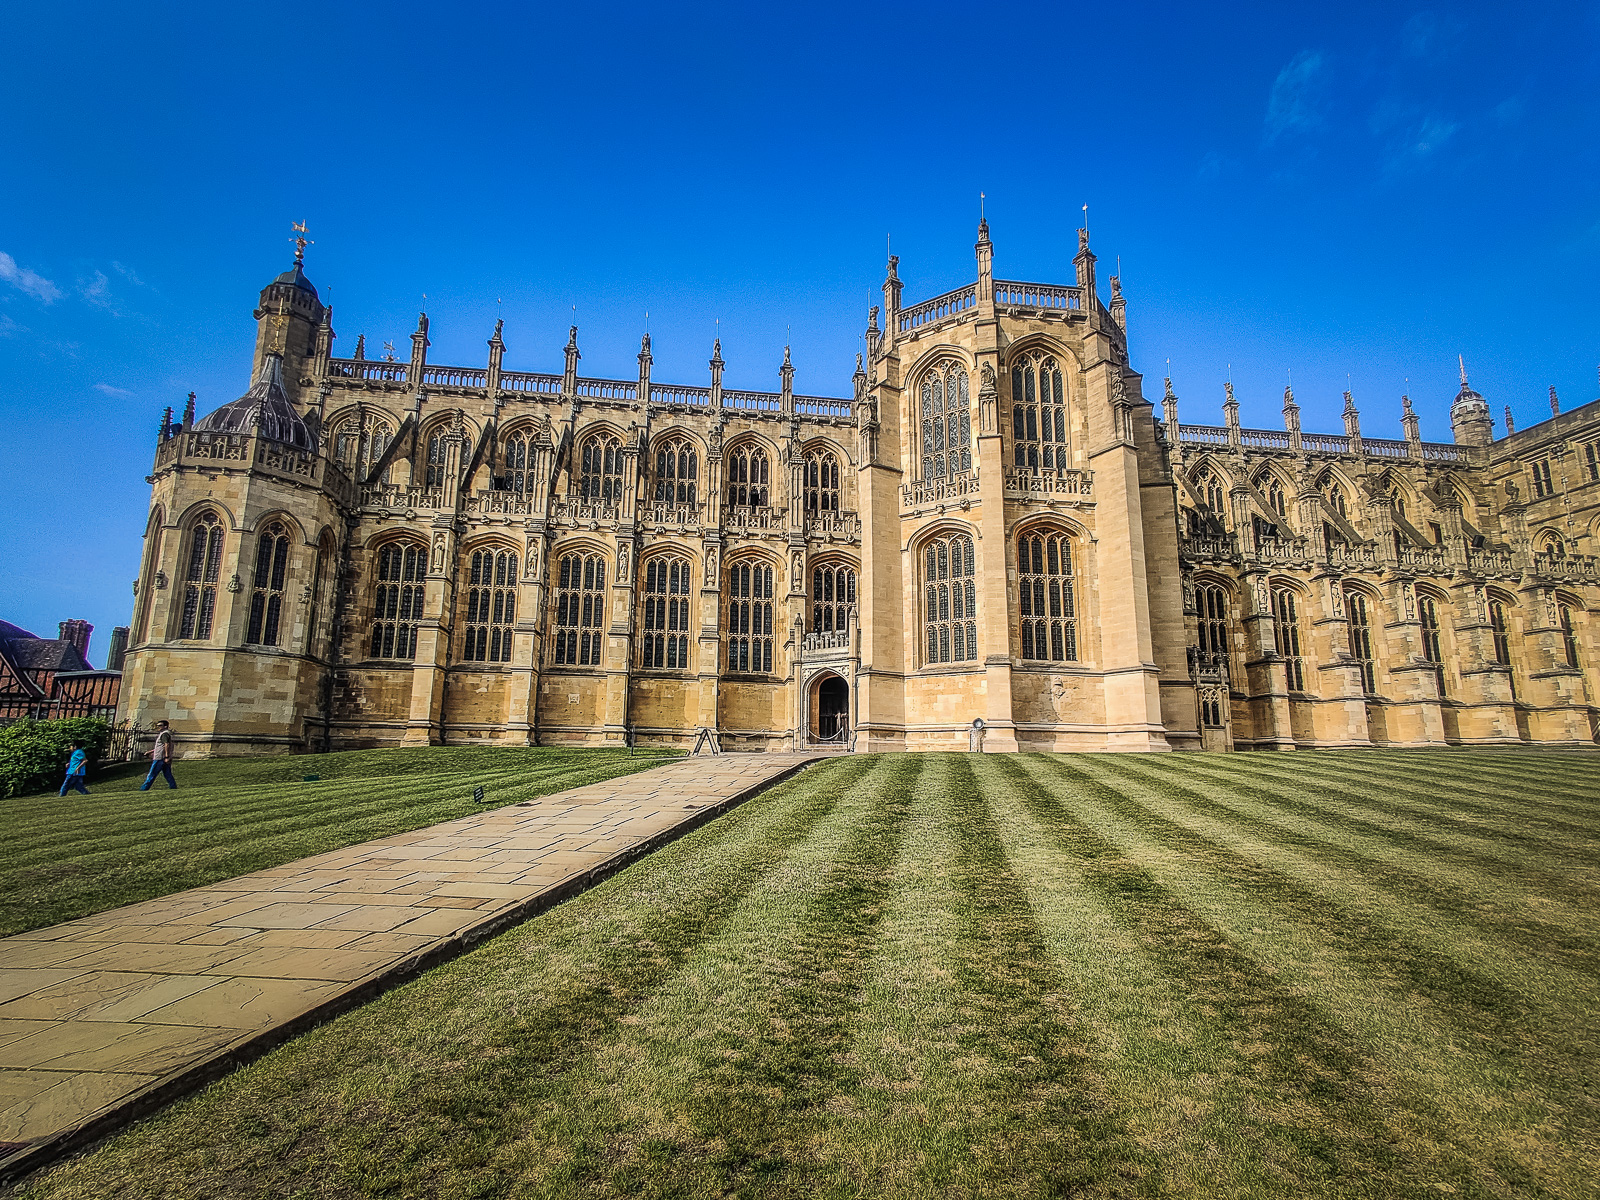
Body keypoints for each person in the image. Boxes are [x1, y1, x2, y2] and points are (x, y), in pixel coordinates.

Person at [141, 720, 177, 790]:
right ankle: (173, 787)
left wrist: (166, 756)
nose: (158, 727)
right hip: (162, 757)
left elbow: (166, 745)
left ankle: (144, 788)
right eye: (157, 725)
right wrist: (150, 752)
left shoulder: (165, 734)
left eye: (160, 725)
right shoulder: (165, 734)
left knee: (152, 774)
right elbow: (161, 746)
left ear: (165, 726)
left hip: (160, 758)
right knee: (168, 774)